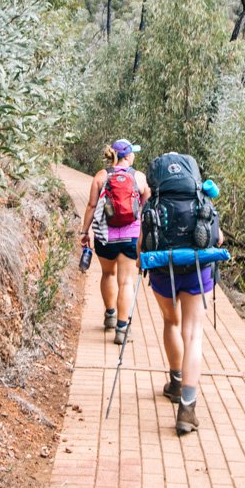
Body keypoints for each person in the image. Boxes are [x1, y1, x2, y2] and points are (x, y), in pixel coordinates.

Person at [143, 183, 225, 436]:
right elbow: (217, 238)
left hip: (161, 271)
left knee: (171, 322)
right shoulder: (201, 199)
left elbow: (141, 242)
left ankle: (176, 382)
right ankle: (187, 409)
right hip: (196, 274)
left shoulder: (154, 201)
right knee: (193, 334)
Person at [79, 139, 150, 344]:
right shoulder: (140, 177)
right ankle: (121, 329)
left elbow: (92, 206)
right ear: (127, 156)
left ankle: (110, 316)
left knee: (108, 273)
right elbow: (145, 209)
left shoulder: (101, 176)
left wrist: (84, 232)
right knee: (126, 282)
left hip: (105, 237)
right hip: (131, 237)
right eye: (132, 153)